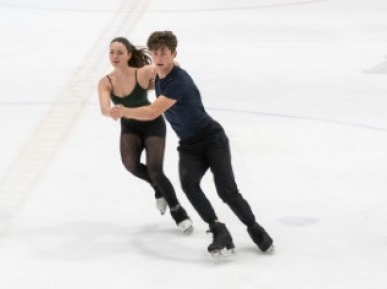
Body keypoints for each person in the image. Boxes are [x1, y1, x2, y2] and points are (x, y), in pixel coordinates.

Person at [110, 31, 273, 257]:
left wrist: (124, 110)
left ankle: (255, 229)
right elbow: (137, 76)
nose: (159, 57)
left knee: (226, 191)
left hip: (212, 139)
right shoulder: (158, 74)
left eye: (164, 53)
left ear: (173, 53)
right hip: (189, 145)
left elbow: (153, 111)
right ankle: (218, 229)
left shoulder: (179, 81)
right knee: (189, 185)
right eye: (155, 53)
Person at [97, 37, 193, 233]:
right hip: (129, 128)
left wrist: (171, 64)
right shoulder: (105, 82)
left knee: (155, 170)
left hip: (152, 125)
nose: (114, 56)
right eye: (111, 52)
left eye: (120, 52)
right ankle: (158, 188)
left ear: (129, 55)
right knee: (130, 165)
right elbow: (104, 109)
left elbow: (170, 67)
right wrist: (112, 112)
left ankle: (177, 210)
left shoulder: (141, 73)